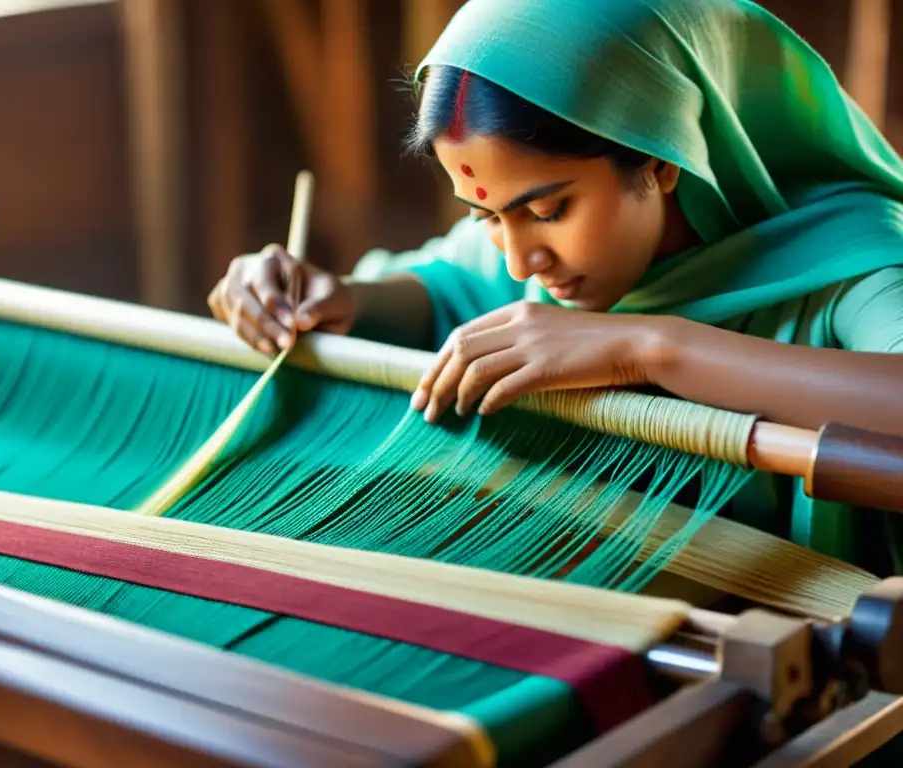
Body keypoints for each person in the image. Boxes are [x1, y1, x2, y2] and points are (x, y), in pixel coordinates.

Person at [207, 0, 903, 573]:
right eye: (485, 217)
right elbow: (443, 285)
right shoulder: (542, 259)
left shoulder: (853, 256)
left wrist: (650, 347)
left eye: (547, 212)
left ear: (662, 159)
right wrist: (332, 298)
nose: (519, 262)